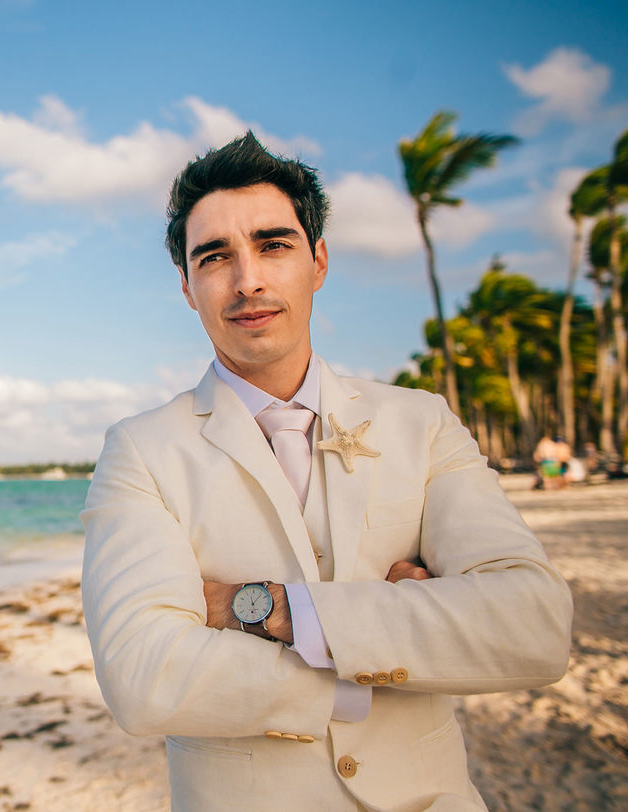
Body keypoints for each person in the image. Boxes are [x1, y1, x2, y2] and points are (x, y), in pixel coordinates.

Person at [80, 133, 572, 810]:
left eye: (273, 245)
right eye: (214, 256)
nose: (246, 279)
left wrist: (265, 608)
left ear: (318, 261)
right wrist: (395, 634)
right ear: (188, 288)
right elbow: (142, 677)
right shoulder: (141, 450)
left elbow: (535, 626)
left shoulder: (420, 421)